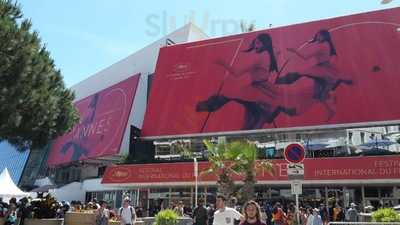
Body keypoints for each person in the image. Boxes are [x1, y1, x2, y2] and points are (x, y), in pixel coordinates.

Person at [196, 33, 297, 130]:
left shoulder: (260, 57)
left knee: (228, 96)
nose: (255, 45)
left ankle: (208, 105)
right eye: (255, 42)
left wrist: (222, 62)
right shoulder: (269, 54)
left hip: (258, 89)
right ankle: (264, 115)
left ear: (265, 44)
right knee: (253, 115)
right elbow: (277, 50)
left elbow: (237, 72)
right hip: (261, 87)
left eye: (258, 43)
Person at [277, 29, 353, 121]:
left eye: (320, 36)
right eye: (317, 35)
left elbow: (306, 56)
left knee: (301, 74)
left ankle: (280, 81)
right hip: (323, 70)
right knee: (318, 95)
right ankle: (331, 107)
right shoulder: (324, 44)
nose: (318, 37)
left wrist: (294, 50)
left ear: (325, 37)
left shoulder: (322, 46)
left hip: (323, 70)